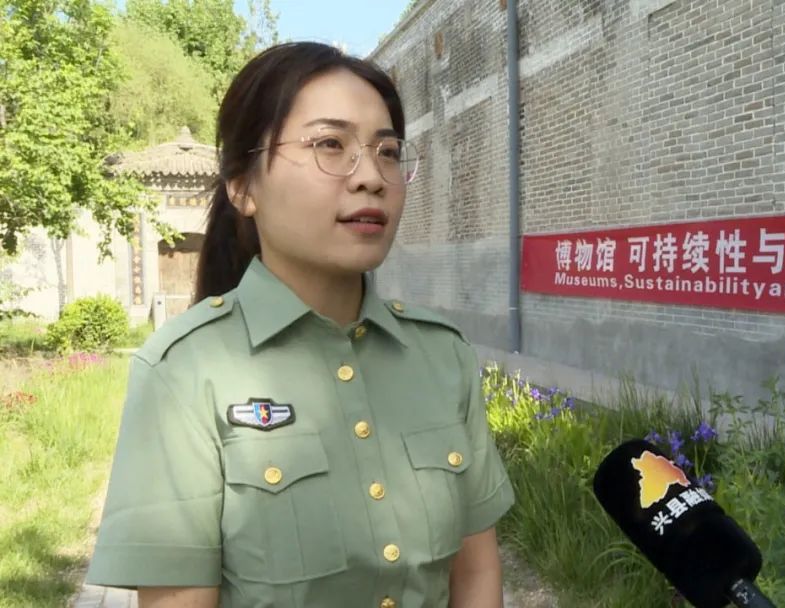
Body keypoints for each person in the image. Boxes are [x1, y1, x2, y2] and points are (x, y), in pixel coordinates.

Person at [84, 41, 515, 608]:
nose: (372, 177)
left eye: (388, 151)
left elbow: (476, 574)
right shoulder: (185, 372)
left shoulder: (442, 356)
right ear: (243, 186)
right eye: (330, 144)